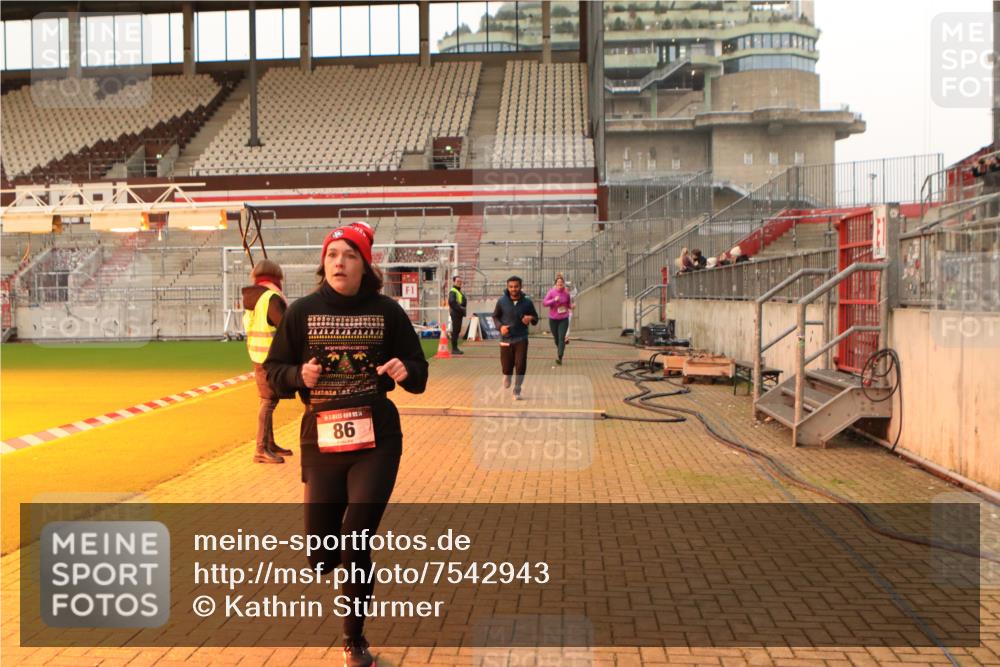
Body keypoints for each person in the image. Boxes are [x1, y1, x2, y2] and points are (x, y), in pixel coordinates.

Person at [264, 221, 428, 667]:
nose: (340, 261)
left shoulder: (388, 312)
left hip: (376, 437)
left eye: (350, 254)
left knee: (356, 538)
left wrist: (404, 371)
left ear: (364, 264)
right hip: (322, 437)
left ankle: (353, 640)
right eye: (333, 254)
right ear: (324, 262)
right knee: (321, 553)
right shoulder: (300, 312)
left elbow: (420, 372)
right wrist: (299, 376)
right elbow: (272, 372)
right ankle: (335, 557)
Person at [242, 258, 293, 464]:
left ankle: (269, 443)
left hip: (257, 355)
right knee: (268, 401)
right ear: (276, 277)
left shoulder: (253, 299)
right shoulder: (271, 298)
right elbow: (285, 325)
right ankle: (260, 449)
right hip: (270, 358)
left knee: (270, 399)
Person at [492, 275, 538, 400]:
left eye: (516, 286)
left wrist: (530, 318)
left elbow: (536, 318)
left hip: (521, 338)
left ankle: (517, 390)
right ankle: (507, 375)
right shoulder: (502, 302)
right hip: (505, 339)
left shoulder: (527, 302)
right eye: (511, 287)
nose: (514, 289)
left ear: (520, 287)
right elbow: (495, 317)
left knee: (521, 364)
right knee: (507, 366)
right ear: (508, 287)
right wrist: (500, 327)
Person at [541, 273, 574, 365]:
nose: (560, 284)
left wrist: (571, 306)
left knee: (561, 337)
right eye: (558, 282)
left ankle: (560, 356)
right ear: (555, 284)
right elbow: (544, 303)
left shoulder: (566, 293)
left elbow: (568, 305)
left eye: (561, 283)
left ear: (563, 284)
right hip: (553, 319)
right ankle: (560, 347)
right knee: (556, 338)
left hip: (564, 318)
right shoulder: (551, 292)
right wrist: (554, 300)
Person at [447, 275, 467, 355]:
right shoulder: (453, 291)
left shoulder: (457, 291)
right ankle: (454, 349)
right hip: (456, 314)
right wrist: (461, 308)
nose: (459, 283)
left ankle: (455, 348)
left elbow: (461, 302)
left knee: (457, 330)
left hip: (458, 313)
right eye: (458, 281)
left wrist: (461, 306)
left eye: (460, 282)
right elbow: (452, 302)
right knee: (455, 331)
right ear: (454, 282)